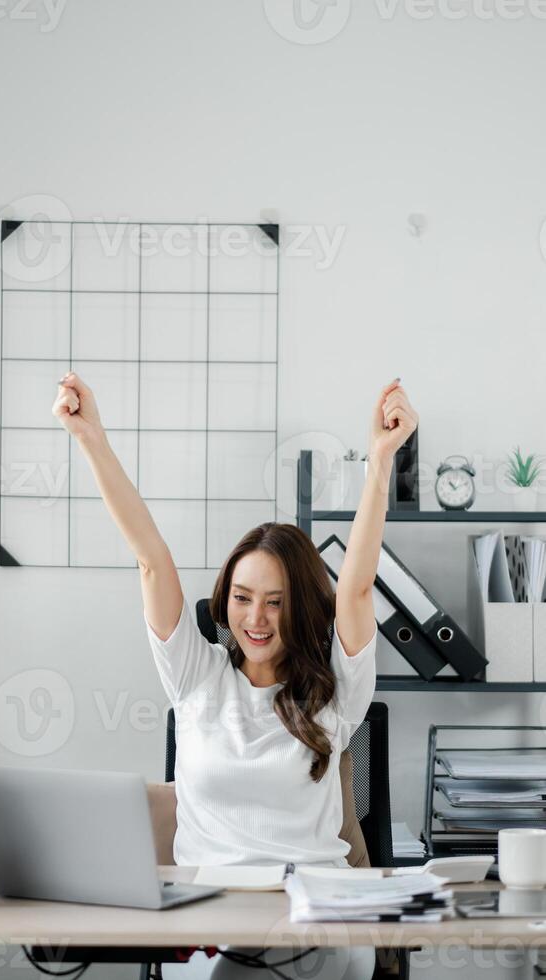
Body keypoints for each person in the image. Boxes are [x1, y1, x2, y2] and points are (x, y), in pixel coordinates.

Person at [52, 374, 418, 980]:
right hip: (205, 918)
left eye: (276, 601)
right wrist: (92, 438)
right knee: (227, 969)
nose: (255, 618)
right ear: (225, 601)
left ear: (301, 606)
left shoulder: (336, 691)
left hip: (316, 914)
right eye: (243, 597)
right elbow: (151, 558)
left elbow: (354, 584)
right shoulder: (194, 674)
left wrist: (380, 462)